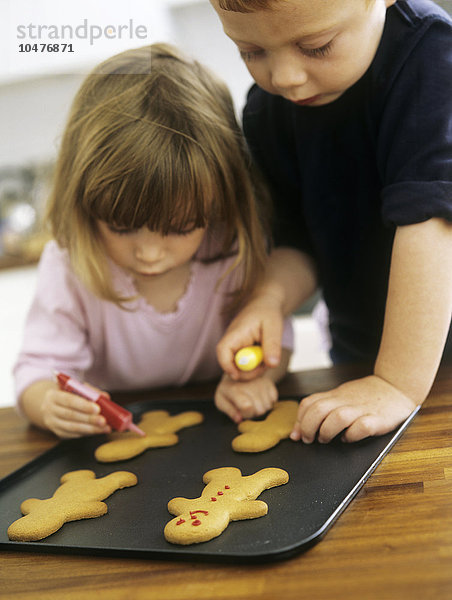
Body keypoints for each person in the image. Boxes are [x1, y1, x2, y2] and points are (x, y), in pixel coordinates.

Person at [13, 43, 293, 439]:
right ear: (84, 203)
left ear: (219, 203)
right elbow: (36, 370)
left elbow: (276, 345)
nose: (148, 253)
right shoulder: (69, 265)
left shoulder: (233, 249)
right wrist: (46, 403)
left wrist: (255, 378)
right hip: (109, 440)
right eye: (121, 227)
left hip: (218, 432)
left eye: (179, 229)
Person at [211, 0, 452, 443]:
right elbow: (295, 242)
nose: (284, 77)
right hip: (366, 359)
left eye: (316, 47)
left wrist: (396, 382)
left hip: (411, 371)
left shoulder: (433, 57)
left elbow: (432, 222)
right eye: (251, 52)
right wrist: (270, 298)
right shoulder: (267, 112)